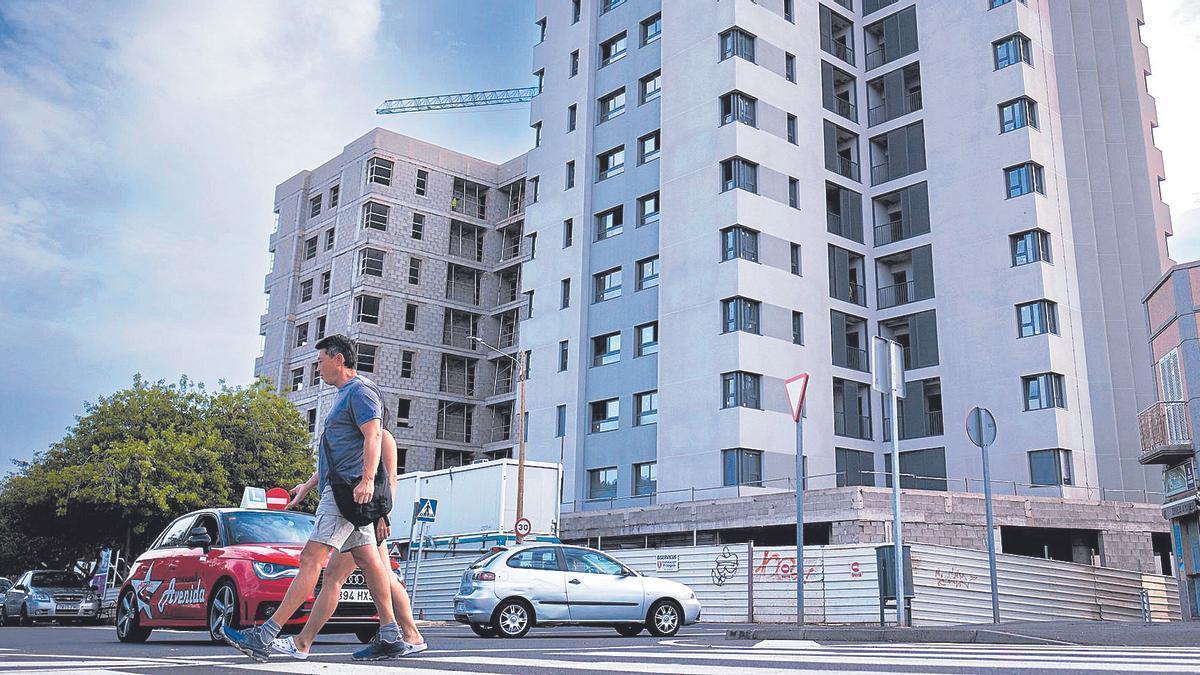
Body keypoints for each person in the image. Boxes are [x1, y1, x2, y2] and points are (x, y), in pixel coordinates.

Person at [222, 334, 407, 662]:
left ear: (338, 359)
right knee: (369, 560)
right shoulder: (344, 395)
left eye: (320, 361)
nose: (317, 368)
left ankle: (264, 636)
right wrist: (307, 486)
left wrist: (367, 480)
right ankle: (391, 635)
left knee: (311, 560)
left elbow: (374, 436)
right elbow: (338, 452)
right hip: (345, 491)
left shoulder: (361, 391)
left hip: (346, 493)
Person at [271, 427, 426, 659]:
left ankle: (303, 642)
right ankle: (408, 635)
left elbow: (390, 479)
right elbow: (333, 468)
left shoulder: (382, 437)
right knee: (373, 576)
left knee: (337, 578)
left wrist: (383, 515)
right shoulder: (359, 439)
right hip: (361, 514)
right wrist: (306, 486)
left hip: (366, 516)